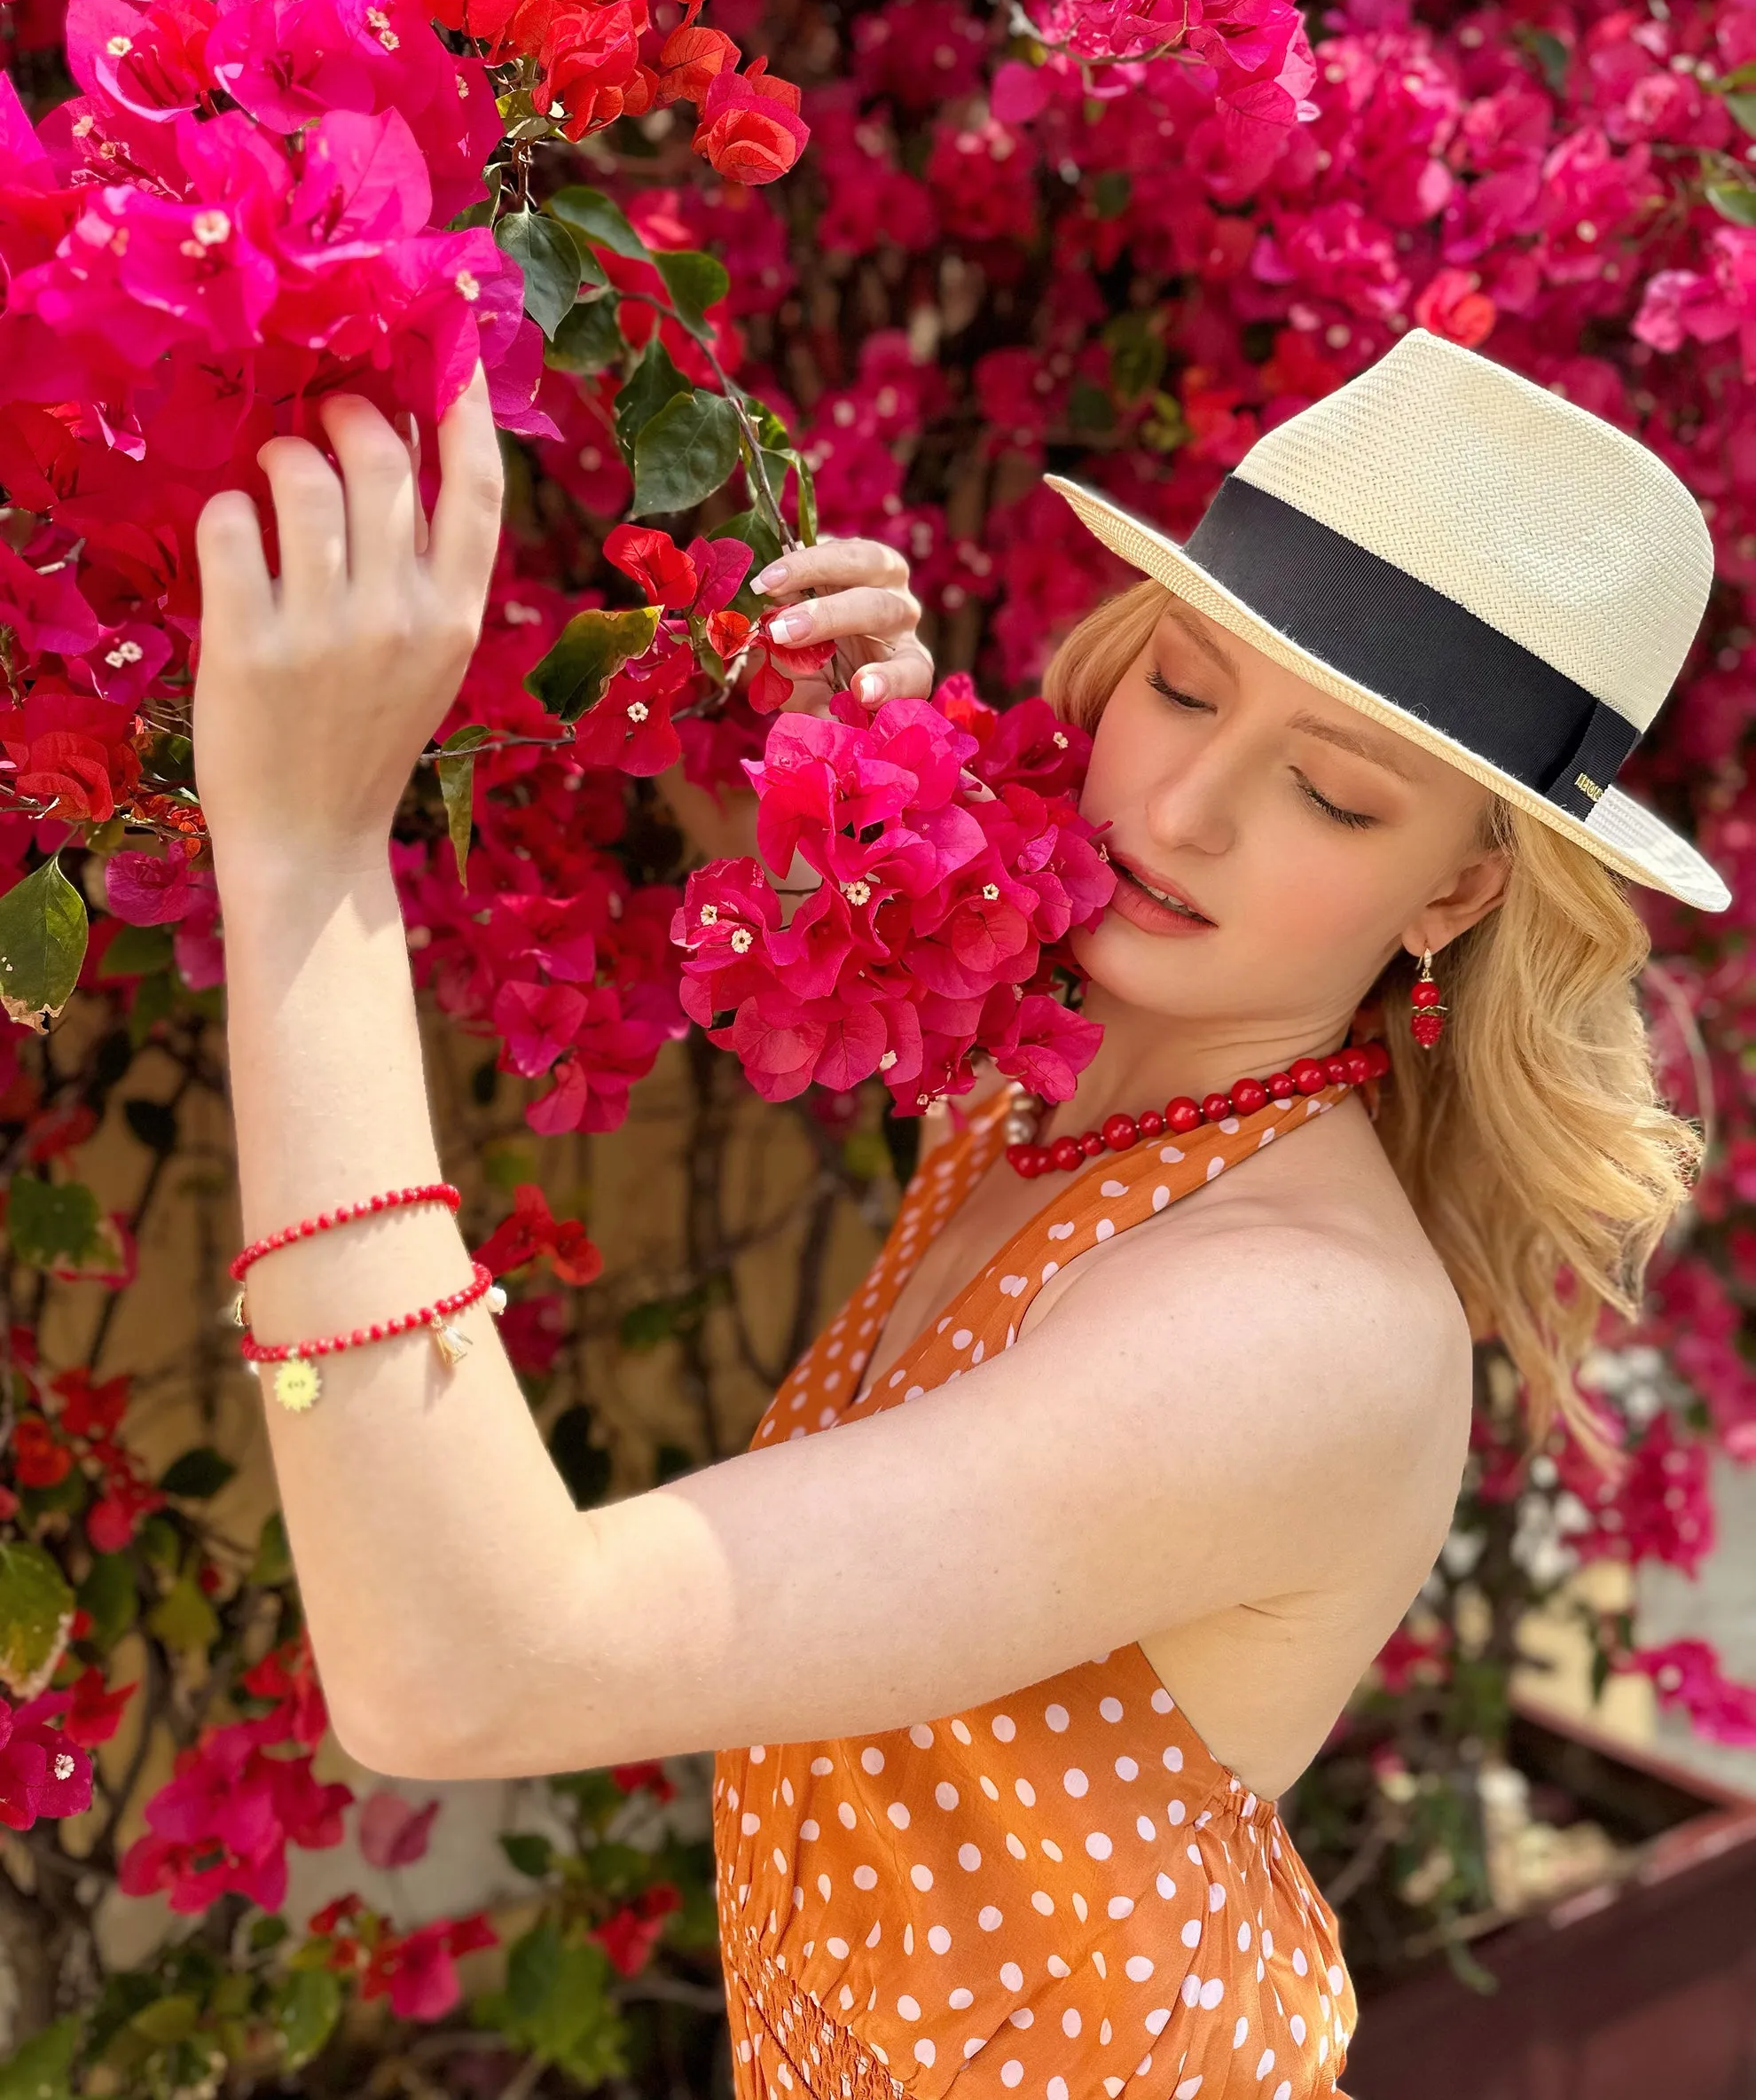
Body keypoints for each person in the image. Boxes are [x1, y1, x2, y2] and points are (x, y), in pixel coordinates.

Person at [192, 326, 1727, 2100]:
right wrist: (894, 804)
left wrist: (306, 863)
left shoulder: (1293, 1333)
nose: (1182, 806)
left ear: (1455, 886)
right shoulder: (1078, 1087)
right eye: (1184, 683)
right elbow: (961, 948)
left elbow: (469, 1667)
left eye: (1332, 791)